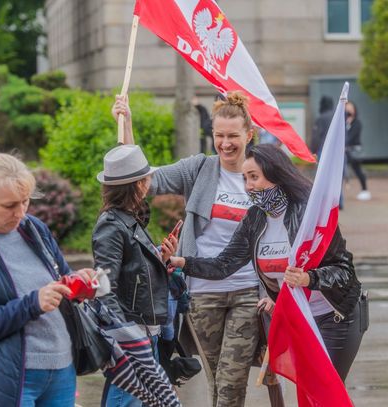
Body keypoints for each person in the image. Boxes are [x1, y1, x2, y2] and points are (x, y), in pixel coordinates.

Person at [170, 144, 366, 382]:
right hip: (300, 320)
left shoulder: (310, 213)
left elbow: (344, 271)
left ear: (275, 175)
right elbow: (224, 265)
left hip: (335, 316)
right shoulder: (254, 218)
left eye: (254, 177)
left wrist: (309, 279)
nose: (248, 186)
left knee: (325, 389)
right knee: (309, 390)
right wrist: (182, 262)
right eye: (245, 178)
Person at [113, 91, 260, 407]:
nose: (225, 143)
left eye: (233, 136)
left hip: (247, 290)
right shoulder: (200, 168)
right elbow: (144, 180)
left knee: (231, 381)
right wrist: (127, 126)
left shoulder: (261, 174)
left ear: (249, 134)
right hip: (202, 292)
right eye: (219, 135)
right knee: (216, 378)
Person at [0, 153, 95, 407]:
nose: (20, 213)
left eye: (25, 202)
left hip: (61, 369)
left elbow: (62, 280)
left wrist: (80, 283)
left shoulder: (34, 228)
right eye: (9, 205)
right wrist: (32, 304)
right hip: (9, 380)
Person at [91, 144, 178, 407]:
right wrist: (126, 335)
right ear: (139, 184)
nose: (149, 183)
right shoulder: (111, 225)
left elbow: (134, 269)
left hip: (143, 330)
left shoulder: (129, 220)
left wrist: (161, 260)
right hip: (132, 333)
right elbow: (104, 288)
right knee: (125, 401)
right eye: (147, 178)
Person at [345, 101, 371, 201]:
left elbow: (351, 137)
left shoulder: (357, 123)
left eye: (351, 109)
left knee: (358, 170)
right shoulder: (344, 122)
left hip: (354, 151)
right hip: (345, 151)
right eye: (347, 109)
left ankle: (365, 190)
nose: (349, 111)